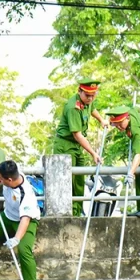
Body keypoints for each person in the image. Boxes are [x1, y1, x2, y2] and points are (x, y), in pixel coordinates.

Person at [51, 79, 108, 216]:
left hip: (77, 146)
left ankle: (77, 213)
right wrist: (93, 153)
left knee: (79, 180)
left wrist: (101, 120)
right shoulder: (73, 107)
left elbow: (92, 108)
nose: (90, 98)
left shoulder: (88, 101)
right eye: (87, 95)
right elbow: (77, 135)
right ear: (79, 91)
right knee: (67, 182)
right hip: (65, 145)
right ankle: (67, 213)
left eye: (93, 95)